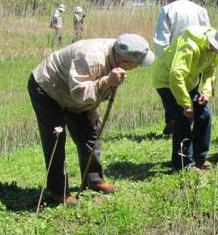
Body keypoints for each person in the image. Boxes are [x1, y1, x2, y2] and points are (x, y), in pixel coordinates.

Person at [28, 34, 155, 205]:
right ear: (124, 62)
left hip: (73, 92)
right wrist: (107, 80)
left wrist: (92, 110)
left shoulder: (117, 52)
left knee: (89, 132)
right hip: (48, 88)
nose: (137, 67)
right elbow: (79, 92)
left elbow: (90, 90)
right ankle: (58, 191)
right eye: (136, 64)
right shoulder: (91, 57)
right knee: (56, 138)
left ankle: (94, 180)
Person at [153, 24, 218, 171]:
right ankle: (184, 165)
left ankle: (200, 158)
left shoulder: (215, 51)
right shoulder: (191, 45)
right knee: (183, 119)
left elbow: (210, 71)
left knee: (204, 114)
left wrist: (206, 92)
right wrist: (185, 104)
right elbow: (176, 75)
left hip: (189, 82)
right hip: (167, 82)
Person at [153, 0, 211, 134]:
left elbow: (161, 42)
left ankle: (178, 122)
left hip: (173, 62)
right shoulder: (201, 10)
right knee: (190, 91)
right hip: (195, 61)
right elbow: (208, 37)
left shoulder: (167, 10)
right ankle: (178, 121)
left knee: (174, 96)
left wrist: (165, 63)